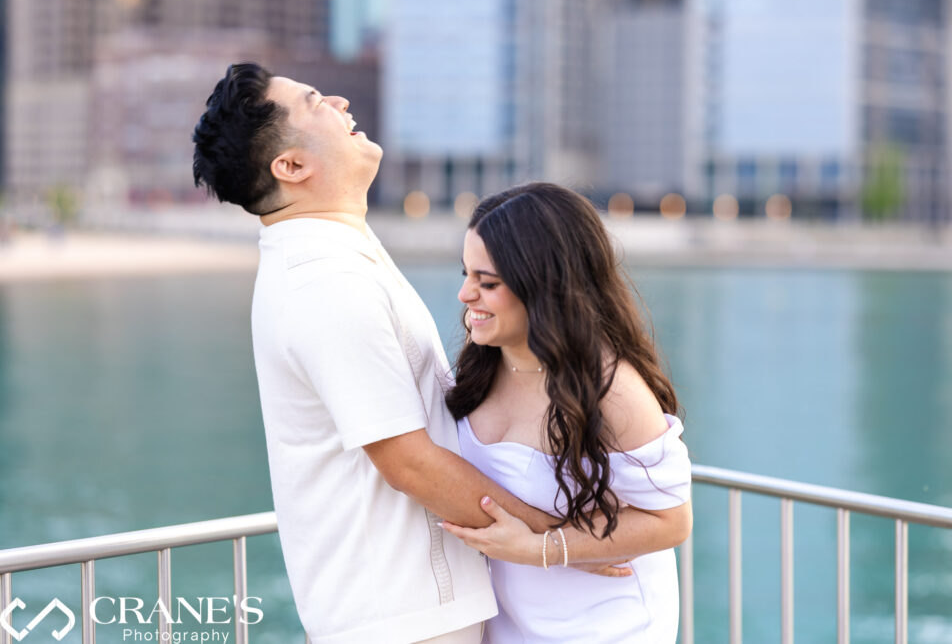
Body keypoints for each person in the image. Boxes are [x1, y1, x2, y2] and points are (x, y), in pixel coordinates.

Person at [191, 63, 564, 643]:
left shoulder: (335, 253)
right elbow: (407, 461)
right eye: (315, 101)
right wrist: (560, 540)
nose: (339, 100)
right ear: (291, 167)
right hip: (402, 616)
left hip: (406, 607)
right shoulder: (324, 282)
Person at [440, 183, 694, 643]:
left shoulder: (612, 390)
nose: (465, 294)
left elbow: (672, 521)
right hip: (504, 622)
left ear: (544, 284)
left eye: (488, 283)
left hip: (603, 627)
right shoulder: (481, 365)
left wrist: (541, 548)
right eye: (466, 274)